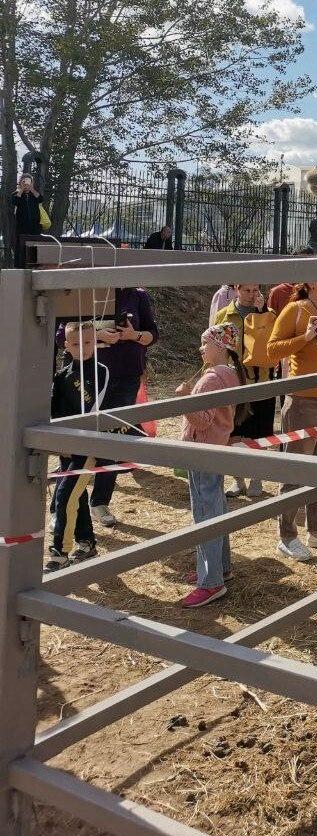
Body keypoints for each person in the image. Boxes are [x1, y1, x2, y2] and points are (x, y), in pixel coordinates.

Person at [267, 281, 317, 560]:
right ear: (312, 282)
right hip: (305, 400)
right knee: (297, 470)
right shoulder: (295, 310)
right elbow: (272, 351)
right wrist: (306, 336)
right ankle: (287, 536)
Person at [174, 323, 246, 607]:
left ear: (219, 347)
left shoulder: (211, 379)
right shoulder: (230, 375)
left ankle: (211, 582)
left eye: (205, 343)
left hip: (202, 451)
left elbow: (202, 420)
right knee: (216, 508)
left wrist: (183, 400)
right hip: (217, 449)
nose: (201, 349)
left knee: (205, 513)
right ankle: (220, 568)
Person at [87, 288, 159, 526]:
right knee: (84, 435)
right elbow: (61, 335)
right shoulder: (86, 291)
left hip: (127, 377)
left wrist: (133, 335)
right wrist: (97, 335)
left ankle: (99, 502)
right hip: (90, 376)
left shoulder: (138, 296)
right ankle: (65, 504)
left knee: (112, 436)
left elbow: (153, 334)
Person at [46, 322, 108, 573]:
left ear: (96, 342)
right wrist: (59, 442)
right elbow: (55, 410)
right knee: (76, 494)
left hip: (89, 444)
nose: (82, 348)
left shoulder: (101, 371)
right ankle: (87, 542)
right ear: (65, 345)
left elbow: (94, 411)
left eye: (88, 342)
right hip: (66, 446)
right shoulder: (61, 376)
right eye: (75, 343)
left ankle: (59, 552)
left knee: (64, 494)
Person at [214, 284, 276, 498]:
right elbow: (215, 347)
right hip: (234, 383)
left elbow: (272, 344)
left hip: (262, 382)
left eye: (255, 290)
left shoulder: (269, 314)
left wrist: (262, 313)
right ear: (237, 290)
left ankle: (256, 478)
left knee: (260, 433)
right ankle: (237, 480)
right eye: (247, 290)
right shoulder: (225, 315)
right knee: (234, 432)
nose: (252, 295)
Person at [11, 174, 44, 268]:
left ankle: (35, 266)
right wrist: (21, 189)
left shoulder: (34, 194)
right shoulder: (16, 194)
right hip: (22, 226)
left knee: (35, 246)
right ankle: (19, 267)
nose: (26, 184)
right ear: (20, 182)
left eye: (28, 181)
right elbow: (15, 201)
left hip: (34, 226)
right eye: (24, 181)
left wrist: (32, 189)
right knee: (20, 247)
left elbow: (40, 199)